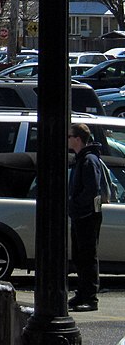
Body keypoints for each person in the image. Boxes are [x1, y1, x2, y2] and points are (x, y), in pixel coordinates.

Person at [68, 122, 103, 311]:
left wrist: (76, 205)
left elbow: (91, 189)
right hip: (80, 214)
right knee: (79, 257)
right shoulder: (81, 158)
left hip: (87, 215)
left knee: (88, 257)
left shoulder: (89, 160)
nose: (67, 139)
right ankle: (81, 293)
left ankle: (90, 298)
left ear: (78, 139)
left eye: (69, 136)